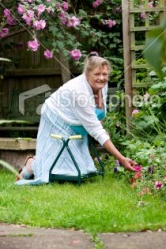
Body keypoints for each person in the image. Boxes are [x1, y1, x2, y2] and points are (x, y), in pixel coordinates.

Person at [15, 52, 137, 185]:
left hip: (73, 115)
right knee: (62, 163)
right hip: (55, 114)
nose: (101, 78)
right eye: (97, 74)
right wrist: (122, 159)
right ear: (87, 74)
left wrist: (98, 129)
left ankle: (36, 163)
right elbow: (95, 129)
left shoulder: (102, 85)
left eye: (105, 74)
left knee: (76, 168)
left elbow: (98, 114)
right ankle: (32, 166)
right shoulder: (79, 93)